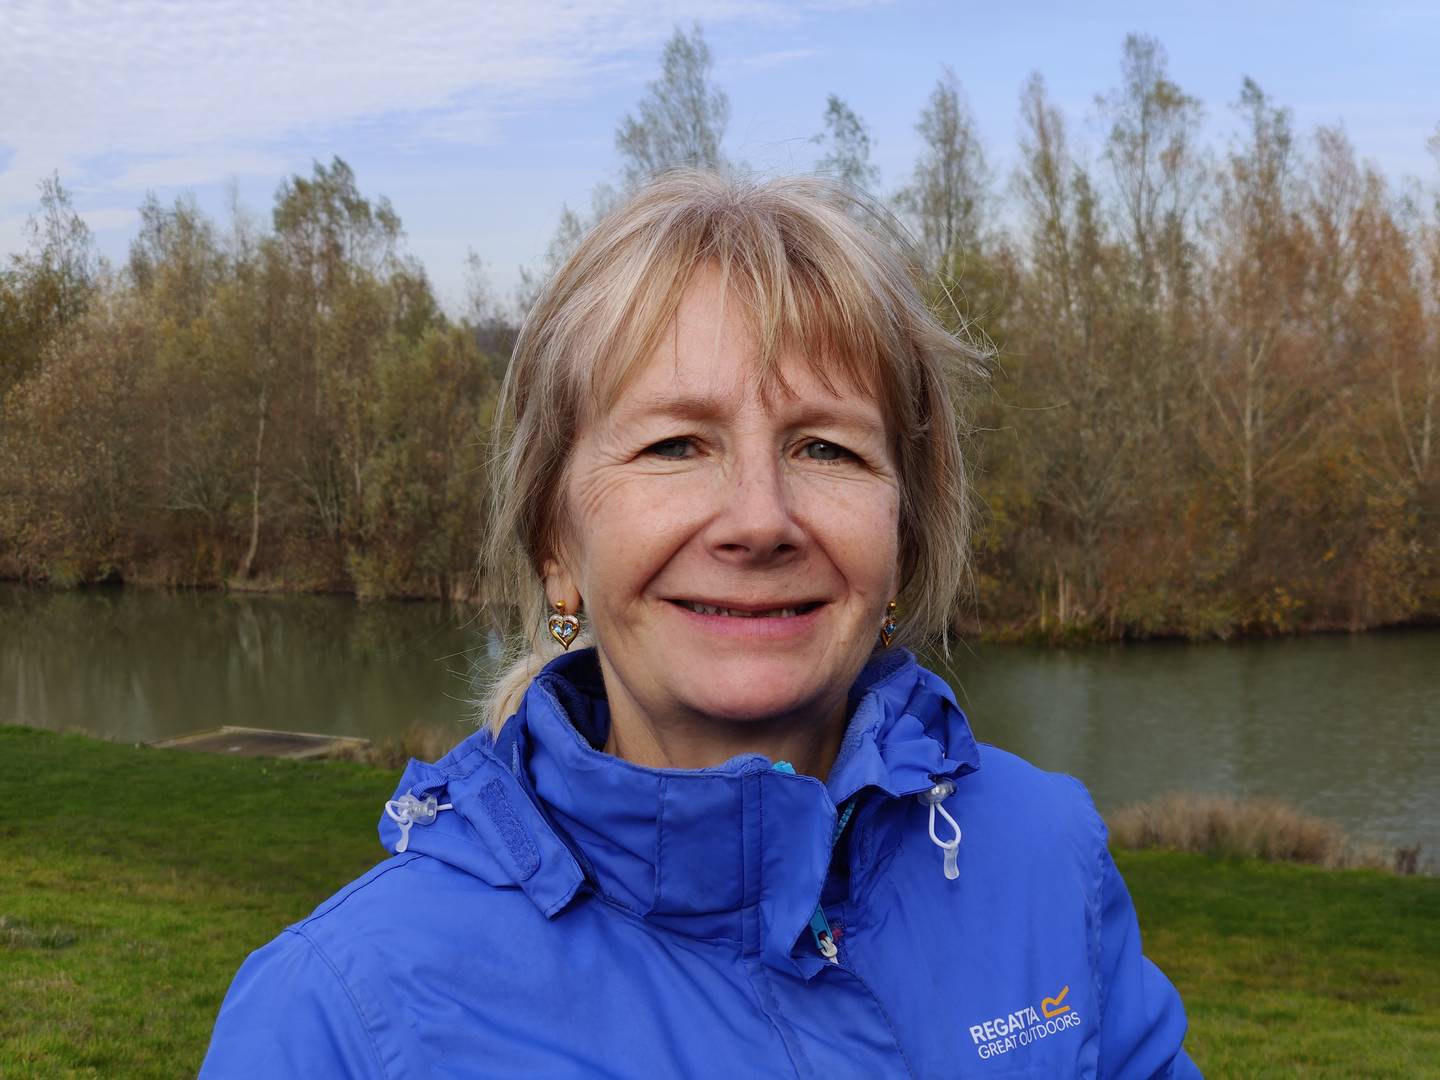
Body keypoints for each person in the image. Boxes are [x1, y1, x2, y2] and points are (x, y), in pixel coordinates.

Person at [200, 171, 1200, 1078]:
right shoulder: (339, 1019)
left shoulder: (1043, 853)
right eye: (678, 445)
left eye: (827, 449)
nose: (760, 520)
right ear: (557, 541)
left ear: (905, 531)